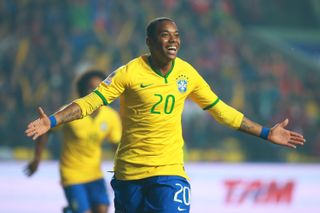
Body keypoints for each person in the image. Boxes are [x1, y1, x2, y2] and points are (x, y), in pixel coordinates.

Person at [25, 17, 305, 213]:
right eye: (165, 35)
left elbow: (221, 111)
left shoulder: (187, 73)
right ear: (149, 41)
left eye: (176, 35)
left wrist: (267, 133)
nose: (173, 40)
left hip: (169, 172)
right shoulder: (128, 73)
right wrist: (51, 120)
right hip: (129, 174)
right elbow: (89, 102)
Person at [24, 70, 122, 213]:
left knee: (102, 210)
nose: (94, 91)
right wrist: (37, 159)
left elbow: (116, 144)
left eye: (98, 88)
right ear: (82, 90)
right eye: (90, 88)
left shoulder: (111, 117)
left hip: (95, 174)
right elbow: (46, 131)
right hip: (71, 174)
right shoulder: (70, 112)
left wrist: (122, 169)